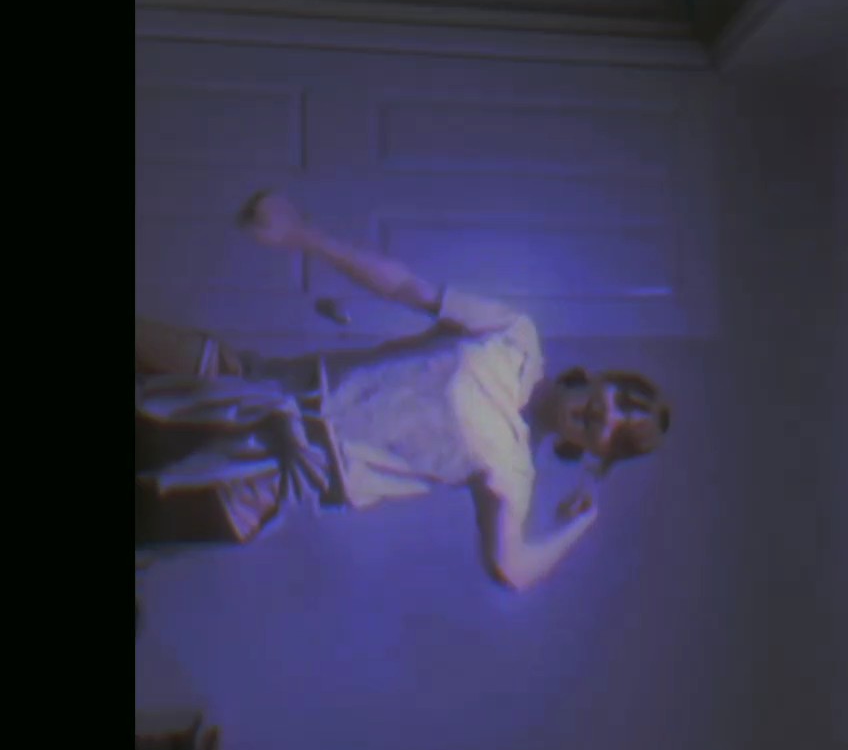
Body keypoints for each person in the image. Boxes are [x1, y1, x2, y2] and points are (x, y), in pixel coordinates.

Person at [135, 192, 671, 592]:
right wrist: (301, 235)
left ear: (595, 452)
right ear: (603, 379)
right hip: (257, 386)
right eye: (622, 400)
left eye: (618, 435)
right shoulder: (514, 337)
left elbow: (512, 570)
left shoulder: (512, 472)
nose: (607, 417)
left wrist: (579, 525)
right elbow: (405, 286)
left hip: (268, 483)